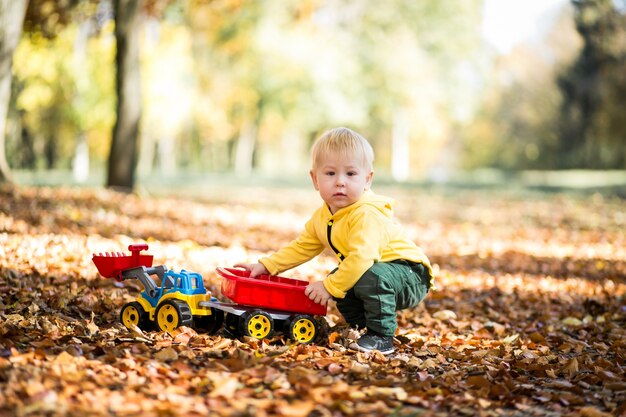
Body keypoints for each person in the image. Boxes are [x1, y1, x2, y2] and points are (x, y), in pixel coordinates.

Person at [235, 127, 434, 354]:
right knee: (341, 278)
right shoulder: (324, 216)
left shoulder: (367, 214)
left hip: (410, 274)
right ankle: (362, 328)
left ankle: (381, 335)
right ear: (315, 179)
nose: (340, 182)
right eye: (330, 174)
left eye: (350, 174)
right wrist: (266, 266)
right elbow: (302, 246)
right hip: (379, 270)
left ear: (367, 179)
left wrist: (329, 287)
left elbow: (362, 258)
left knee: (358, 277)